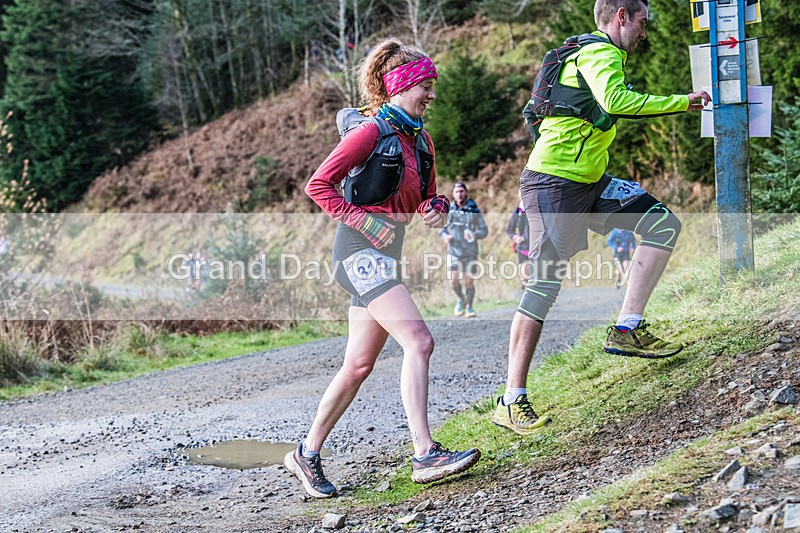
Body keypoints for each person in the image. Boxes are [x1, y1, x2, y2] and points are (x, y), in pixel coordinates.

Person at [493, 0, 712, 435]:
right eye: (642, 23)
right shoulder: (599, 52)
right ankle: (510, 400)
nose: (644, 34)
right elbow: (616, 100)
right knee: (544, 285)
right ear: (622, 17)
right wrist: (681, 101)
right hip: (553, 184)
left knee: (661, 222)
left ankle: (627, 328)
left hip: (590, 184)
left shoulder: (592, 54)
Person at [287, 38, 481, 499]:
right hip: (357, 251)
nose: (431, 95)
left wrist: (436, 209)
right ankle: (425, 453)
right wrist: (365, 224)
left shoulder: (422, 140)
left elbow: (428, 196)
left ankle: (306, 453)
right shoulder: (370, 133)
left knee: (357, 365)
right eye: (425, 87)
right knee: (419, 340)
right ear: (402, 86)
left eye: (432, 87)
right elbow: (319, 185)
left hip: (384, 254)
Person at [439, 182, 488, 318]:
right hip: (453, 251)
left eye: (461, 191)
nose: (459, 194)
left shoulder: (474, 209)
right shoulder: (449, 210)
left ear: (466, 193)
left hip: (470, 251)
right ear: (453, 194)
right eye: (456, 192)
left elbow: (484, 230)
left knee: (469, 281)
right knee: (453, 280)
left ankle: (469, 307)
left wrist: (475, 234)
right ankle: (461, 299)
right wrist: (445, 236)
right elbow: (441, 228)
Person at [506, 197, 531, 289]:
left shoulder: (539, 208)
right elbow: (509, 229)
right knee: (525, 277)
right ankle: (525, 300)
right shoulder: (518, 211)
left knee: (537, 279)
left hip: (538, 247)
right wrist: (516, 237)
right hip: (523, 247)